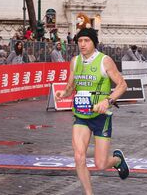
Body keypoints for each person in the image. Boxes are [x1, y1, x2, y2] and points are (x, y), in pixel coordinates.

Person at [55, 27, 129, 194]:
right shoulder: (75, 61)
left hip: (101, 117)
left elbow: (122, 85)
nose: (82, 44)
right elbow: (70, 86)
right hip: (81, 116)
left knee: (100, 164)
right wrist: (63, 93)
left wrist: (108, 100)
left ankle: (117, 160)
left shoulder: (104, 61)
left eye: (86, 41)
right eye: (80, 41)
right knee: (79, 157)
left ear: (94, 43)